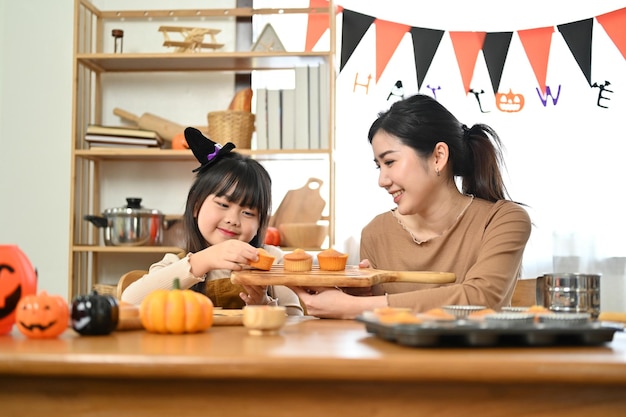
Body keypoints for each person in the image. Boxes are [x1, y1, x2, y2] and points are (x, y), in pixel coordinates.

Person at [292, 94, 531, 319]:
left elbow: (481, 299)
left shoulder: (503, 220)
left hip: (476, 363)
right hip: (395, 363)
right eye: (379, 166)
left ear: (438, 157)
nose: (382, 180)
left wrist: (353, 307)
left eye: (390, 162)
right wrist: (360, 297)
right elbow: (378, 324)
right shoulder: (376, 232)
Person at [122, 127, 303, 316]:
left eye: (248, 213)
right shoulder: (176, 263)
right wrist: (205, 259)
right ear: (196, 205)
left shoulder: (273, 261)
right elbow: (129, 301)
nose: (233, 220)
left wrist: (262, 304)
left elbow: (295, 322)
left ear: (260, 223)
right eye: (223, 205)